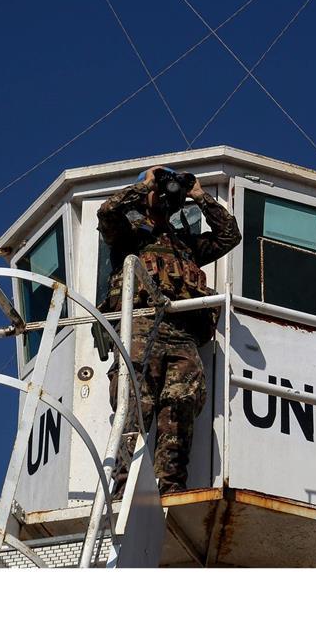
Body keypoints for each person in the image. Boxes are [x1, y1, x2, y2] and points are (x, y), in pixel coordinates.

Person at [97, 167, 241, 496]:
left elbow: (229, 236)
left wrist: (200, 196)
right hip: (140, 328)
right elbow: (106, 211)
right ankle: (121, 488)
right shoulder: (128, 237)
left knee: (181, 404)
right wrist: (144, 185)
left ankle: (171, 486)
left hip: (181, 334)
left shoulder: (186, 246)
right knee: (134, 404)